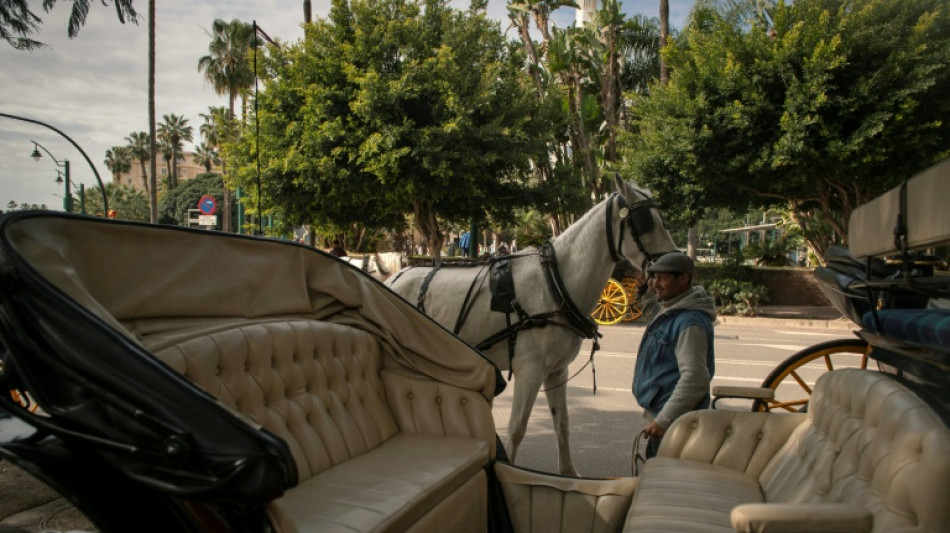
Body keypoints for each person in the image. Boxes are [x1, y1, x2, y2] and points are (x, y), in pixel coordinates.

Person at [632, 253, 715, 458]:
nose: (656, 283)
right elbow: (653, 312)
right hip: (667, 420)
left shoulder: (690, 322)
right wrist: (647, 292)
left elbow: (695, 379)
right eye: (654, 278)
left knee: (661, 483)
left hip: (675, 426)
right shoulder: (674, 309)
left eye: (663, 278)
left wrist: (664, 420)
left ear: (684, 279)